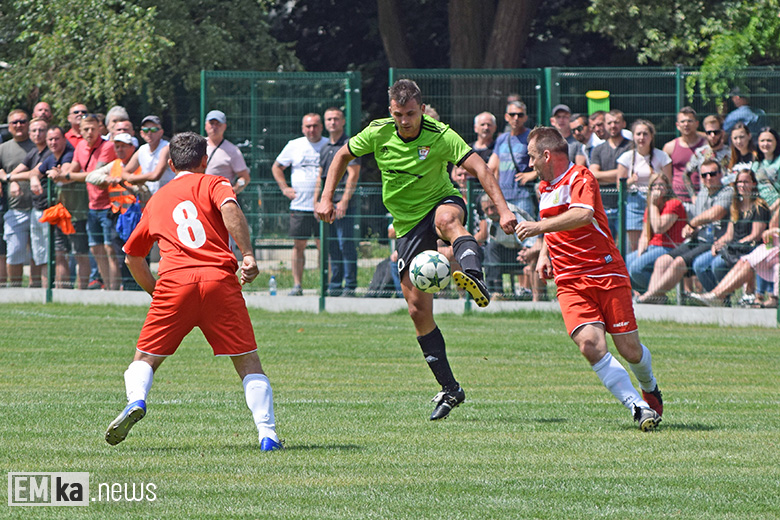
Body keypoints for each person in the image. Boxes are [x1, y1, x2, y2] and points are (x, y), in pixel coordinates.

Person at [315, 79, 517, 421]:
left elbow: (479, 167)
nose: (405, 121)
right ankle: (451, 389)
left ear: (421, 109)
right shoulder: (379, 132)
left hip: (440, 200)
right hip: (407, 225)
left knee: (449, 221)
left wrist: (505, 209)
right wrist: (325, 197)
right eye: (398, 114)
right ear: (391, 111)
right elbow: (341, 155)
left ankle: (474, 276)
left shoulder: (439, 134)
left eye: (410, 114)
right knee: (417, 311)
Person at [105, 131, 282, 451]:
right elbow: (230, 210)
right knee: (247, 362)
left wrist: (156, 292)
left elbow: (132, 256)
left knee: (144, 358)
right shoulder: (215, 183)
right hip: (219, 281)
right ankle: (267, 434)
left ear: (171, 164)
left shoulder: (158, 199)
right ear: (205, 161)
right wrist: (248, 255)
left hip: (174, 284)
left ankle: (137, 400)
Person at [515, 126, 663, 431]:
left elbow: (582, 214)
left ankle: (649, 387)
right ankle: (637, 407)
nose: (530, 165)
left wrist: (537, 229)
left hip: (605, 272)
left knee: (629, 350)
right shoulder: (543, 188)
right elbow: (549, 223)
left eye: (532, 157)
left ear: (546, 155)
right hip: (569, 280)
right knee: (590, 345)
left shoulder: (581, 177)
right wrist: (543, 253)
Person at [637, 159, 734, 304]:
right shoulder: (702, 194)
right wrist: (690, 229)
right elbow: (696, 219)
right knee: (662, 261)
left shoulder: (727, 191)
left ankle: (650, 295)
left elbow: (715, 214)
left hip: (713, 241)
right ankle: (654, 300)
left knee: (679, 263)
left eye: (712, 174)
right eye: (704, 175)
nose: (708, 178)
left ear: (720, 174)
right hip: (698, 240)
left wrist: (692, 223)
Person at [58, 114, 117, 290]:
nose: (90, 132)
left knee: (110, 250)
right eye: (86, 129)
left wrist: (66, 175)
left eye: (93, 128)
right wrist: (60, 172)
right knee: (96, 249)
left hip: (108, 205)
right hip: (92, 206)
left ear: (100, 128)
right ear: (80, 130)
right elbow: (73, 168)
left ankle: (115, 290)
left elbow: (94, 176)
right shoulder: (81, 146)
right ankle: (107, 288)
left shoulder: (108, 147)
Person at [272, 112, 328, 296]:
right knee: (299, 246)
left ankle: (325, 286)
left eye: (315, 126)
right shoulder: (294, 145)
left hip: (323, 205)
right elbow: (277, 167)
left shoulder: (329, 145)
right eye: (308, 126)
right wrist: (285, 188)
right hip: (299, 206)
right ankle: (297, 285)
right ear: (303, 128)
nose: (312, 130)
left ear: (321, 127)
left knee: (323, 246)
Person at [692, 169, 769, 292]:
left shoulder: (760, 206)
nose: (742, 185)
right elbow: (729, 234)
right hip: (731, 247)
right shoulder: (735, 206)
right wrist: (718, 244)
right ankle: (717, 298)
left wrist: (733, 244)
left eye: (746, 182)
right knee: (699, 264)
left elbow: (755, 235)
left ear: (754, 184)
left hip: (748, 248)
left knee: (717, 265)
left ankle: (723, 295)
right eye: (739, 182)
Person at [314, 107, 361, 296]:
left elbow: (353, 174)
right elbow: (320, 176)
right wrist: (316, 201)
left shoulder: (349, 144)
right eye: (329, 119)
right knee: (331, 245)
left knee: (345, 244)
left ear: (343, 122)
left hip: (342, 205)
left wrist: (344, 201)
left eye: (336, 119)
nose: (332, 122)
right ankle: (335, 285)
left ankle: (350, 285)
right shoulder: (325, 147)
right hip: (326, 205)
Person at [690, 210, 778, 308]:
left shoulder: (758, 209)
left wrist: (774, 231)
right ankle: (715, 295)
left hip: (767, 249)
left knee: (749, 262)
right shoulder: (735, 208)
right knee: (744, 261)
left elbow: (758, 234)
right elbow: (773, 225)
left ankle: (719, 296)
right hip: (768, 249)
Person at [4, 117, 50, 286]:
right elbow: (20, 170)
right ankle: (17, 290)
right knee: (19, 251)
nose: (38, 134)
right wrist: (11, 179)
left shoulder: (49, 151)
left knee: (42, 254)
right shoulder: (34, 152)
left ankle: (43, 291)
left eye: (41, 130)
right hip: (24, 209)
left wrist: (11, 177)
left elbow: (35, 172)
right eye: (35, 131)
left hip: (44, 208)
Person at [625, 173, 687, 294]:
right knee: (622, 265)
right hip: (652, 246)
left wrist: (653, 205)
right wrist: (640, 252)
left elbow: (659, 228)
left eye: (661, 185)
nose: (658, 188)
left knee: (636, 269)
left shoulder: (674, 204)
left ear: (667, 187)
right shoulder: (650, 208)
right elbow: (644, 234)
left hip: (668, 247)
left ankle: (656, 294)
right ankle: (647, 294)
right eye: (654, 185)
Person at [616, 119, 672, 251]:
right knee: (633, 246)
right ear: (633, 136)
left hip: (656, 203)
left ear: (651, 136)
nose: (642, 138)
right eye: (638, 134)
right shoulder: (626, 158)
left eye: (645, 134)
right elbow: (620, 187)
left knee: (654, 242)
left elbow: (668, 183)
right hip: (634, 203)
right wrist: (630, 181)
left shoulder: (662, 157)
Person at [30, 126, 75, 288]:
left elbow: (65, 170)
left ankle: (65, 290)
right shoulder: (50, 157)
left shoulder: (68, 153)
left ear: (64, 139)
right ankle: (55, 290)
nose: (53, 142)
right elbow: (35, 172)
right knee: (58, 252)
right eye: (50, 139)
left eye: (56, 139)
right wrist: (34, 179)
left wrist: (59, 173)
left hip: (73, 212)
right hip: (57, 214)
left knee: (71, 253)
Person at [0, 109, 35, 286]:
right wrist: (7, 178)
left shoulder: (37, 145)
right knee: (14, 252)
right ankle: (15, 289)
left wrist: (11, 177)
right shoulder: (3, 148)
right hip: (15, 209)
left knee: (38, 253)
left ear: (28, 123)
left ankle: (36, 289)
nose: (19, 125)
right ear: (9, 126)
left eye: (22, 121)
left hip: (38, 207)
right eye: (15, 122)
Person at [480, 193, 537, 299]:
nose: (490, 212)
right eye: (486, 209)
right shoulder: (489, 219)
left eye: (492, 207)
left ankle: (496, 292)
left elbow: (531, 237)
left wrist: (527, 250)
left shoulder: (512, 213)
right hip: (505, 255)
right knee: (489, 249)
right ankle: (494, 292)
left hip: (526, 254)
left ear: (497, 204)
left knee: (491, 250)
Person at [487, 100, 536, 217]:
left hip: (522, 196)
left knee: (526, 233)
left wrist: (533, 174)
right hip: (503, 198)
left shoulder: (532, 136)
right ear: (506, 117)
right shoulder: (502, 139)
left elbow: (544, 160)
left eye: (520, 115)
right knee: (506, 235)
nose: (516, 118)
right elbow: (492, 167)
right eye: (512, 114)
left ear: (525, 118)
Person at [590, 109, 632, 239]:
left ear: (624, 124)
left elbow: (632, 173)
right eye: (609, 122)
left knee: (626, 247)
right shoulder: (598, 150)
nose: (613, 125)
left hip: (627, 205)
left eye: (616, 122)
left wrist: (603, 177)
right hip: (603, 206)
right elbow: (593, 175)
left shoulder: (631, 147)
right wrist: (621, 175)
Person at [662, 107, 707, 207]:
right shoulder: (669, 147)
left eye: (690, 121)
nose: (686, 124)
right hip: (677, 199)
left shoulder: (706, 145)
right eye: (682, 121)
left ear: (696, 124)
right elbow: (665, 178)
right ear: (677, 125)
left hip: (702, 198)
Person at [122, 115, 175, 195]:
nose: (149, 133)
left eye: (154, 129)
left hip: (168, 196)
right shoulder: (142, 150)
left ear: (161, 132)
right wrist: (130, 178)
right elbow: (124, 173)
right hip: (150, 198)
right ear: (141, 133)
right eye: (146, 130)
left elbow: (155, 175)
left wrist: (132, 178)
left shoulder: (166, 148)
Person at [203, 111, 250, 194]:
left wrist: (232, 192)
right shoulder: (197, 146)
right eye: (211, 123)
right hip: (199, 197)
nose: (214, 127)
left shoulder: (233, 150)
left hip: (219, 199)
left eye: (218, 124)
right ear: (205, 125)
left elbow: (244, 178)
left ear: (224, 127)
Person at [683, 115, 730, 189]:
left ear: (722, 133)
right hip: (705, 196)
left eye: (716, 132)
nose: (712, 135)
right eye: (709, 132)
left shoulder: (730, 153)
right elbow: (685, 174)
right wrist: (693, 195)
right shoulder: (700, 153)